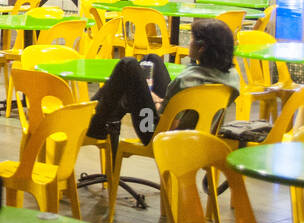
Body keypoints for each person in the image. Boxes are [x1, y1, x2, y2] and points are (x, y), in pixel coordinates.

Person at [86, 18, 241, 145]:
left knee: (128, 65)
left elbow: (171, 124)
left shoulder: (186, 82)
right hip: (202, 135)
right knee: (151, 59)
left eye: (192, 39)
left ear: (201, 48)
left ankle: (95, 122)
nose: (189, 43)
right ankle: (108, 113)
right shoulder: (231, 77)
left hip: (157, 135)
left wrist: (155, 102)